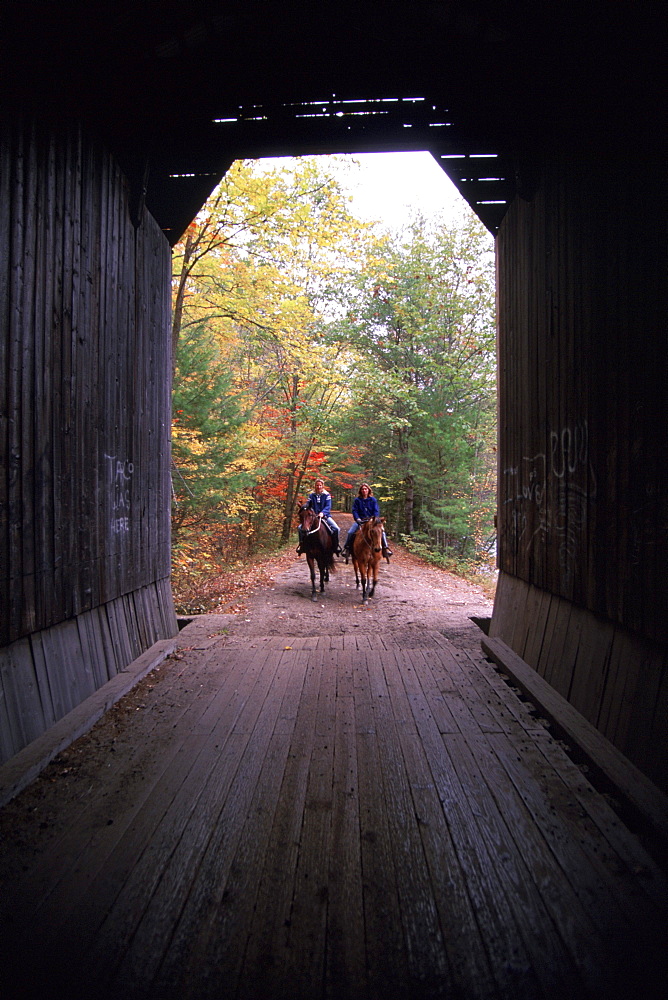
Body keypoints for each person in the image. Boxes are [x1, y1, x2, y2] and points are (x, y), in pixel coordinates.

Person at [343, 483, 393, 559]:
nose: (364, 490)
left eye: (365, 489)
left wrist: (373, 519)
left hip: (372, 521)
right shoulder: (357, 500)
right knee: (351, 532)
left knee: (381, 532)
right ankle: (347, 549)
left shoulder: (373, 500)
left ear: (368, 490)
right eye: (362, 489)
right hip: (361, 520)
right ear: (360, 491)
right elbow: (355, 510)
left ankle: (385, 548)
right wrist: (357, 519)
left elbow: (376, 511)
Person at [296, 478, 342, 555]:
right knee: (300, 528)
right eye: (317, 485)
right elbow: (308, 504)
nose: (319, 487)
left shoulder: (327, 495)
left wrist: (322, 513)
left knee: (336, 528)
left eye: (320, 485)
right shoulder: (311, 495)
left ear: (322, 486)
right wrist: (303, 507)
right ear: (315, 486)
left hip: (325, 516)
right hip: (313, 517)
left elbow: (328, 506)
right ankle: (302, 545)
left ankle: (335, 546)